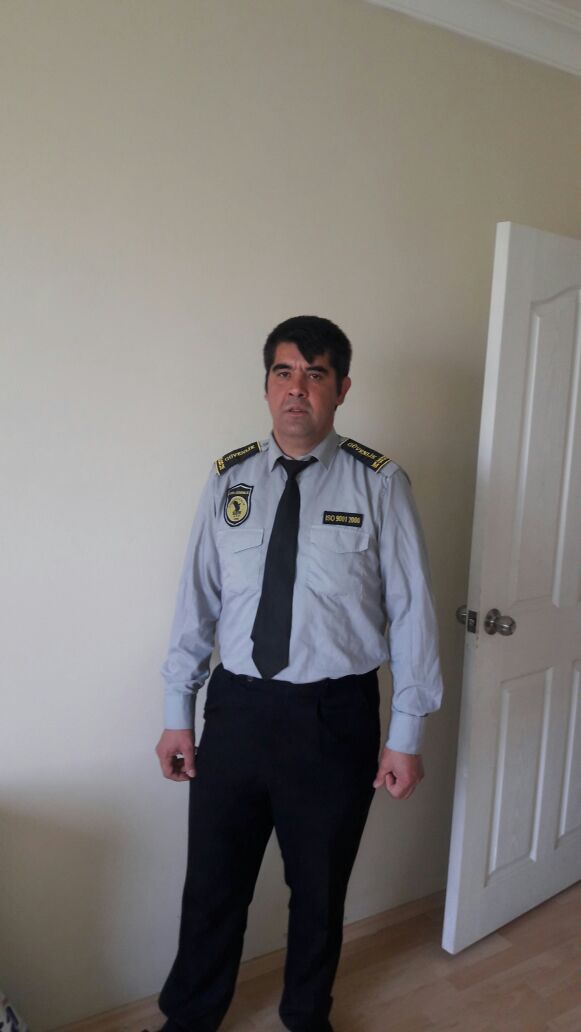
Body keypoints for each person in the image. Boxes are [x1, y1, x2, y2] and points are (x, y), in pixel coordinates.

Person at [153, 315, 444, 1032]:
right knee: (212, 884)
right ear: (266, 386)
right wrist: (176, 714)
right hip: (237, 711)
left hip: (332, 718)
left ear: (341, 389)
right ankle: (190, 1019)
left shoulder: (379, 483)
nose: (297, 389)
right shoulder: (228, 480)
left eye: (315, 375)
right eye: (284, 372)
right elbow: (196, 603)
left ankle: (306, 1017)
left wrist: (405, 734)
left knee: (318, 891)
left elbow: (412, 614)